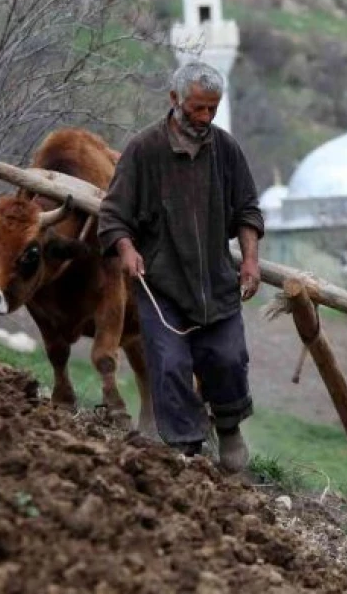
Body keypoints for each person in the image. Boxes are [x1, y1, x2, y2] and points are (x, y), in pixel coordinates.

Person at [98, 61, 264, 473]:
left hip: (215, 280)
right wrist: (126, 250)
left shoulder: (225, 149)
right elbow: (113, 214)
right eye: (196, 109)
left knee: (227, 357)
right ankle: (186, 447)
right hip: (162, 284)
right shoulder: (144, 150)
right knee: (170, 363)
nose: (205, 118)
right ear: (174, 100)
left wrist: (250, 259)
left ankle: (227, 428)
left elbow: (247, 209)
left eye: (212, 109)